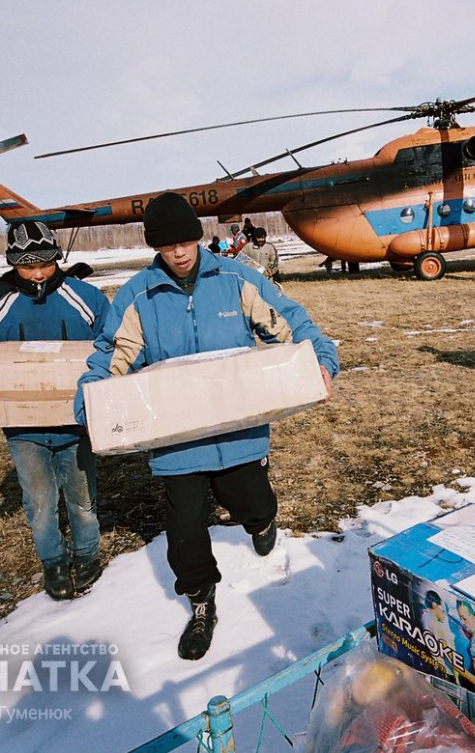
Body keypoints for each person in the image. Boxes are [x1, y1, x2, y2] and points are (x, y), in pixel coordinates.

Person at [75, 192, 339, 661]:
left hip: (239, 433)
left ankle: (261, 521)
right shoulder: (140, 294)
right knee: (186, 530)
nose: (178, 252)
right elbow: (110, 354)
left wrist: (320, 359)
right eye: (166, 245)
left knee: (251, 503)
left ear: (198, 237)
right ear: (154, 247)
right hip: (177, 444)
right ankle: (200, 603)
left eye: (185, 241)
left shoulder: (236, 278)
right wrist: (91, 402)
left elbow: (290, 322)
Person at [0, 221, 111, 601]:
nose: (37, 273)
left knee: (82, 497)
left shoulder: (85, 296)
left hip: (76, 422)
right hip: (23, 429)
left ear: (57, 257)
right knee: (38, 501)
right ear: (12, 263)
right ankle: (52, 562)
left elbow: (111, 340)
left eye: (46, 263)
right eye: (26, 265)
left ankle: (87, 556)